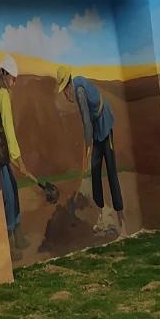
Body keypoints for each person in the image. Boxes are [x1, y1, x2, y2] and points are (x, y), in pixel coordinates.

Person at [57, 65, 124, 236]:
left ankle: (121, 220)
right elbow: (86, 123)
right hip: (95, 128)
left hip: (104, 124)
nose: (65, 95)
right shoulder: (76, 88)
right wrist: (88, 146)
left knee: (111, 171)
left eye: (64, 90)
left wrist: (87, 148)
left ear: (68, 85)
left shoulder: (79, 92)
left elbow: (86, 123)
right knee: (95, 172)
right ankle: (101, 216)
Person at [0, 55, 37, 257]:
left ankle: (18, 234)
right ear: (4, 73)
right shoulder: (2, 92)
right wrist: (19, 160)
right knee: (9, 195)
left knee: (13, 189)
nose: (14, 82)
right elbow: (9, 129)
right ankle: (9, 242)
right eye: (13, 78)